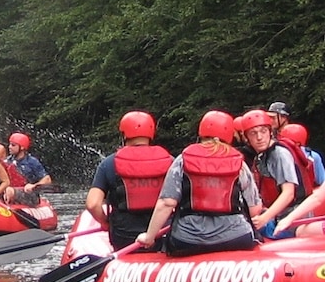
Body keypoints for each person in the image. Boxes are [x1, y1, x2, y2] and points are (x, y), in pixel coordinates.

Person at [136, 110, 262, 257]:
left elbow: (167, 203)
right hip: (236, 238)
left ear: (201, 133)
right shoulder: (240, 163)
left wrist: (149, 237)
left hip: (188, 240)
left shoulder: (183, 160)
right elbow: (253, 209)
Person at [86, 110, 174, 252]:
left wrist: (106, 223)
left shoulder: (109, 163)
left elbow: (92, 204)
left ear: (124, 135)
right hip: (162, 235)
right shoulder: (170, 161)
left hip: (124, 238)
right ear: (151, 134)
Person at [237, 110, 303, 236]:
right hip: (277, 215)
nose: (259, 137)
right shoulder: (260, 156)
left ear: (270, 132)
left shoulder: (280, 154)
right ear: (246, 138)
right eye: (253, 133)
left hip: (292, 217)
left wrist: (264, 217)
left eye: (263, 131)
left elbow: (289, 193)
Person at [3, 132, 52, 206]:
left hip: (30, 195)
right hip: (10, 191)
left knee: (9, 190)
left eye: (13, 145)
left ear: (22, 147)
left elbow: (47, 180)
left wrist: (34, 186)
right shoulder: (7, 161)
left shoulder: (32, 162)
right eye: (9, 144)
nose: (9, 147)